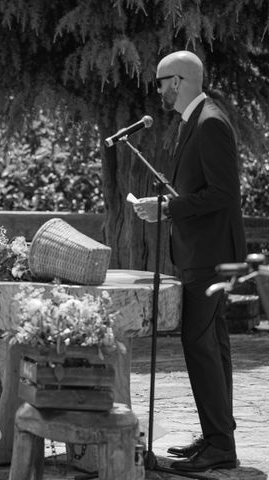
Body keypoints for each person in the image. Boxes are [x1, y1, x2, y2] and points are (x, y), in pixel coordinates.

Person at [133, 51, 246, 472]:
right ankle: (218, 434)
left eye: (161, 82)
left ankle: (220, 445)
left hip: (210, 256)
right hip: (204, 252)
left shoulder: (210, 123)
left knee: (199, 345)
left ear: (178, 82)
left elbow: (224, 195)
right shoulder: (195, 121)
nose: (159, 90)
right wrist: (168, 205)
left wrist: (167, 207)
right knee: (212, 345)